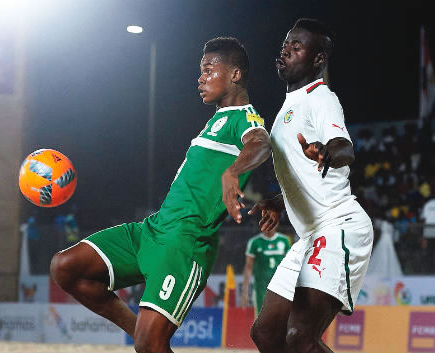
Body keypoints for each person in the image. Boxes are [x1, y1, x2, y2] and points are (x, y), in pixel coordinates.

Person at [50, 37, 271, 353]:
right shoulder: (216, 121)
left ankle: (145, 338)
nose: (200, 78)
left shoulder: (244, 117)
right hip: (150, 232)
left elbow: (261, 142)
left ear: (235, 75)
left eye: (209, 69)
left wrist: (233, 172)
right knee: (65, 267)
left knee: (150, 344)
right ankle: (138, 331)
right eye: (200, 71)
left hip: (184, 245)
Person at [248, 18, 374, 353]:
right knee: (265, 334)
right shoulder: (287, 107)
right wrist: (277, 201)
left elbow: (345, 148)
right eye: (286, 43)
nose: (286, 49)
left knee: (298, 337)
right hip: (310, 236)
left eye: (297, 46)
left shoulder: (320, 98)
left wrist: (327, 152)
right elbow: (302, 177)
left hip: (339, 227)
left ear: (317, 60)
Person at [240, 223, 291, 316]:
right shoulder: (255, 242)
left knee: (282, 317)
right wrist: (245, 292)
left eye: (271, 223)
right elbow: (248, 267)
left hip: (281, 286)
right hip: (261, 288)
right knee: (261, 318)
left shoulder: (284, 240)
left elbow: (291, 264)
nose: (269, 227)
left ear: (276, 225)